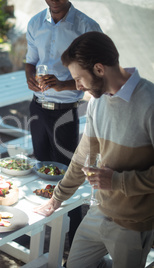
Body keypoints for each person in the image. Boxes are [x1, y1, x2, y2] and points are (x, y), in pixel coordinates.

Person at [35, 31, 154, 267]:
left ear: (99, 69)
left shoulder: (149, 102)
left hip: (132, 223)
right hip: (99, 211)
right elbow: (82, 157)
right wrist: (57, 198)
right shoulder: (97, 102)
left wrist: (118, 182)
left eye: (79, 78)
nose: (77, 86)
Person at [24, 0, 102, 247]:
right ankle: (36, 233)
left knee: (68, 176)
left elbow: (97, 76)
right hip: (37, 108)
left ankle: (74, 239)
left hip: (65, 114)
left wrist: (63, 84)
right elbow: (30, 60)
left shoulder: (87, 27)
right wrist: (29, 76)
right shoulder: (35, 22)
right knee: (40, 173)